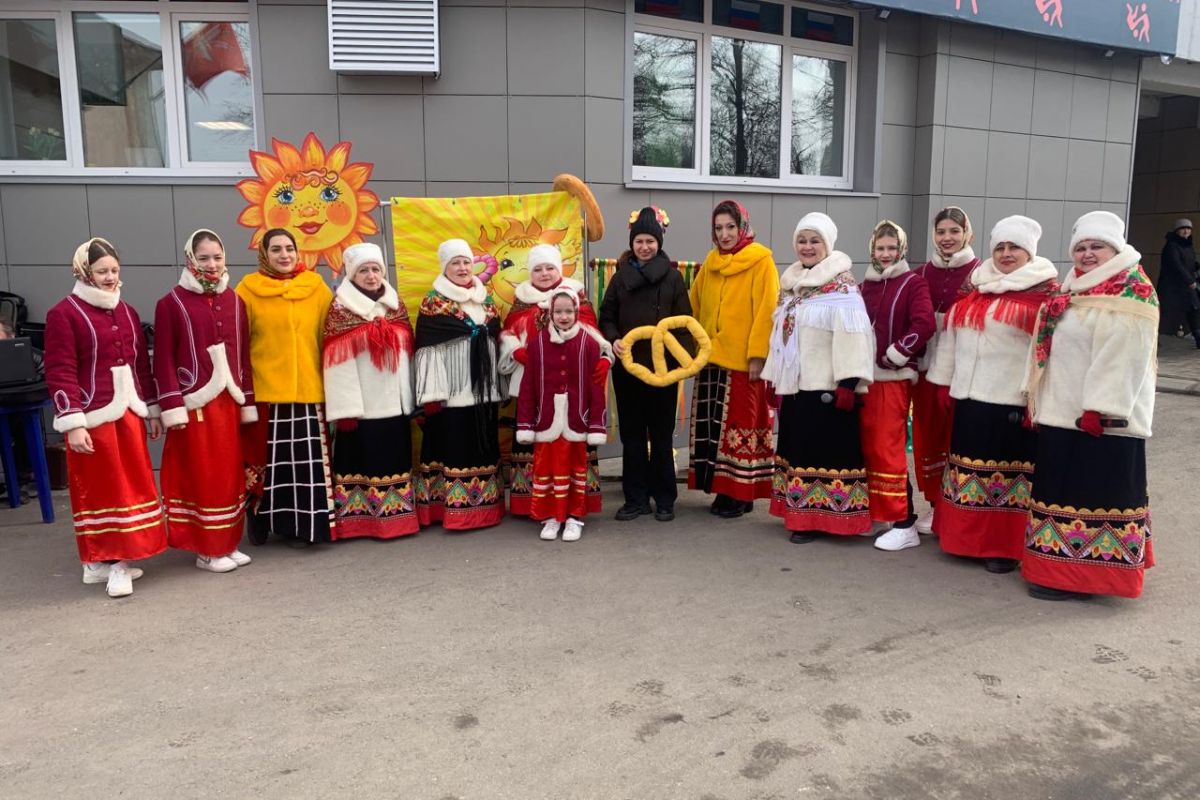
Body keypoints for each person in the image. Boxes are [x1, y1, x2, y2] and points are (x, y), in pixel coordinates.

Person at [1023, 211, 1158, 601]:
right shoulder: (1076, 288)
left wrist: (1101, 408)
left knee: (1094, 497)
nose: (1087, 254)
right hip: (1063, 412)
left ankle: (1090, 579)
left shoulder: (1131, 289)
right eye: (1080, 247)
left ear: (1114, 248)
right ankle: (1057, 571)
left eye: (1096, 246)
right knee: (1062, 493)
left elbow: (1124, 356)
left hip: (1100, 420)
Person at [926, 215, 1057, 573]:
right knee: (968, 473)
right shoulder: (976, 285)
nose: (1006, 253)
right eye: (1000, 246)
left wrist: (1038, 400)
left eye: (1014, 247)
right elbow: (952, 336)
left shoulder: (1045, 293)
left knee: (1005, 479)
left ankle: (1002, 547)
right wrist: (941, 381)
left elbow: (1049, 356)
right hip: (969, 399)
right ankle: (963, 539)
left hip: (1010, 403)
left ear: (1029, 252)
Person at [45, 238, 166, 598]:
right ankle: (113, 563)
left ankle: (106, 562)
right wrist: (74, 421)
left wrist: (153, 409)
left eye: (114, 270)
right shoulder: (63, 314)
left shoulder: (127, 311)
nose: (110, 277)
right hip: (91, 416)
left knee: (132, 486)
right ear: (84, 272)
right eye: (101, 272)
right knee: (101, 490)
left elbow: (140, 364)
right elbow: (60, 369)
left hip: (128, 413)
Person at [763, 213, 874, 543]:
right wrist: (775, 376)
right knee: (799, 451)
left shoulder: (841, 287)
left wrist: (847, 384)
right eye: (802, 240)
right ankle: (800, 514)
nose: (807, 247)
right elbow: (780, 337)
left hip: (827, 389)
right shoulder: (791, 286)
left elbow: (854, 336)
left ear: (828, 245)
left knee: (824, 454)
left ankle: (828, 520)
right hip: (797, 386)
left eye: (814, 241)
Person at [154, 229, 257, 573]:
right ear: (189, 259)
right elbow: (163, 359)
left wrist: (248, 400)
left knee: (229, 473)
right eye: (204, 258)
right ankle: (207, 549)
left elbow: (243, 354)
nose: (211, 264)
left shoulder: (234, 300)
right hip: (194, 401)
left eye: (217, 257)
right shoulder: (171, 302)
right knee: (204, 473)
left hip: (229, 399)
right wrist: (172, 406)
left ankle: (227, 542)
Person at [237, 228, 335, 546]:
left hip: (308, 389)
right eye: (276, 249)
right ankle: (260, 521)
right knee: (267, 465)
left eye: (289, 248)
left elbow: (329, 336)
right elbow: (238, 344)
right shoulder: (247, 291)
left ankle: (302, 527)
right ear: (264, 254)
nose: (284, 255)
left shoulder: (316, 288)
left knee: (305, 468)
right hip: (267, 391)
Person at [499, 243, 607, 520]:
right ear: (531, 272)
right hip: (531, 378)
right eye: (538, 269)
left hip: (571, 379)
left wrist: (605, 357)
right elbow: (509, 330)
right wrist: (515, 349)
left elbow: (591, 332)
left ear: (559, 269)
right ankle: (531, 504)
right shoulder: (522, 298)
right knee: (533, 434)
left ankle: (575, 505)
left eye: (550, 268)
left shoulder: (575, 298)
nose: (544, 274)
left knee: (573, 436)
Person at [598, 207, 691, 522]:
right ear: (632, 243)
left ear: (659, 242)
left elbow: (684, 323)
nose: (645, 247)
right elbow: (606, 316)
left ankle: (665, 499)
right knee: (633, 436)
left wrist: (681, 359)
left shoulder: (673, 278)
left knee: (661, 436)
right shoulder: (620, 279)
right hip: (627, 369)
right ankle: (635, 498)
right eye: (639, 241)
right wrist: (613, 339)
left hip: (662, 371)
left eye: (650, 240)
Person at [688, 200, 779, 518]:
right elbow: (695, 305)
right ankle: (724, 490)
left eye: (730, 227)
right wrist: (692, 346)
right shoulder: (711, 261)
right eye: (718, 228)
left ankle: (743, 494)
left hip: (743, 362)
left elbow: (767, 310)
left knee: (741, 430)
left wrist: (758, 355)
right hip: (711, 358)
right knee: (715, 430)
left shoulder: (761, 261)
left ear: (742, 227)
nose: (724, 234)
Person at [323, 242, 418, 540]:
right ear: (352, 275)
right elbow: (336, 364)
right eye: (363, 270)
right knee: (364, 463)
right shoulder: (340, 310)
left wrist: (410, 400)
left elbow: (408, 356)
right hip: (363, 408)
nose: (372, 275)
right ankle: (363, 522)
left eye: (376, 269)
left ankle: (399, 519)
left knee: (396, 460)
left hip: (395, 405)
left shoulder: (395, 305)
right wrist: (346, 410)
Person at [414, 239, 505, 530]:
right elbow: (427, 351)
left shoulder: (485, 299)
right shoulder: (433, 302)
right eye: (456, 263)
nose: (463, 268)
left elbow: (496, 341)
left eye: (466, 262)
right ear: (445, 267)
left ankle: (486, 509)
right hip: (451, 395)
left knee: (483, 447)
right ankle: (452, 511)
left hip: (483, 392)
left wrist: (498, 385)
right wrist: (431, 396)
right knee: (453, 447)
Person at [858, 221, 935, 552]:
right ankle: (880, 513)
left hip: (892, 378)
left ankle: (906, 522)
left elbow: (925, 323)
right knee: (869, 448)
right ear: (872, 250)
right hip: (866, 379)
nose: (886, 254)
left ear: (901, 250)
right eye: (880, 248)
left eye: (892, 248)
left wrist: (896, 354)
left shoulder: (912, 283)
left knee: (888, 449)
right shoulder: (865, 285)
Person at [516, 289, 609, 541]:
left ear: (577, 312)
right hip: (545, 421)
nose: (564, 316)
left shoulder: (588, 344)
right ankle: (550, 517)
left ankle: (573, 518)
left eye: (569, 311)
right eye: (558, 311)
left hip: (576, 421)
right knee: (545, 468)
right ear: (550, 314)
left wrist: (596, 425)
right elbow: (528, 388)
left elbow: (595, 389)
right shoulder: (537, 345)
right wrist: (525, 423)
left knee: (575, 468)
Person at [910, 207, 981, 533]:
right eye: (941, 232)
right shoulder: (923, 273)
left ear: (968, 233)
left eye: (954, 231)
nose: (947, 238)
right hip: (927, 369)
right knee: (929, 435)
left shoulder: (981, 273)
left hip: (965, 370)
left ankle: (961, 507)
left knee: (962, 437)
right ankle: (936, 503)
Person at [1157, 218, 1200, 347]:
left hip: (1186, 285)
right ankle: (1153, 337)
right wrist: (1190, 281)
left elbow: (1189, 264)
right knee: (1165, 312)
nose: (1186, 231)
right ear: (1177, 231)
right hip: (1172, 285)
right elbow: (1177, 265)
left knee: (1194, 309)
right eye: (1183, 229)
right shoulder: (1171, 246)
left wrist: (1196, 267)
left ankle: (1198, 337)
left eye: (1188, 229)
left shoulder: (1188, 244)